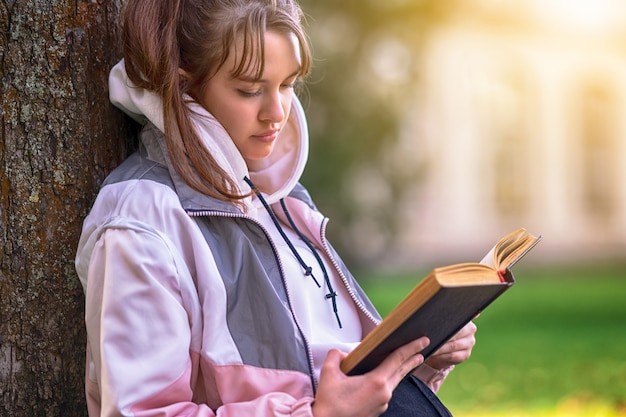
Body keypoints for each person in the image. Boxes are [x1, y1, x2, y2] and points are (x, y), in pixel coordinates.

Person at [75, 0, 477, 416]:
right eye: (250, 90)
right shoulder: (140, 223)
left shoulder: (284, 201)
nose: (278, 113)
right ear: (185, 87)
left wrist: (420, 360)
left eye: (287, 84)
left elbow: (331, 372)